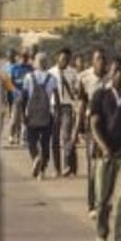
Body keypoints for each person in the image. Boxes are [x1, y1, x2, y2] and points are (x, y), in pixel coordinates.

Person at [89, 56, 121, 241]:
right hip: (105, 151)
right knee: (102, 197)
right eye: (115, 70)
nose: (118, 75)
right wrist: (103, 146)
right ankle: (101, 234)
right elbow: (94, 124)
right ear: (110, 72)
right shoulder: (100, 95)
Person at [77, 47, 108, 217]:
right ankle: (92, 205)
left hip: (109, 128)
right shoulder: (85, 78)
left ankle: (104, 201)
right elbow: (81, 104)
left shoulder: (112, 78)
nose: (101, 62)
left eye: (103, 59)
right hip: (92, 127)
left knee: (107, 166)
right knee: (93, 167)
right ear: (92, 61)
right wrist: (79, 128)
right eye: (98, 59)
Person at [23, 52, 57, 179]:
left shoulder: (28, 77)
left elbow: (23, 98)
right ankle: (42, 171)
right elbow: (56, 99)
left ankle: (35, 157)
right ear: (46, 63)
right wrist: (56, 114)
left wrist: (23, 114)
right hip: (47, 115)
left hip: (32, 114)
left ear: (36, 63)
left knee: (32, 141)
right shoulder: (52, 78)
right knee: (45, 142)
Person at [48, 47, 80, 177]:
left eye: (67, 59)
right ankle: (57, 168)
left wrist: (74, 91)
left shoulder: (73, 72)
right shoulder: (50, 72)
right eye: (62, 59)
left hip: (67, 106)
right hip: (54, 107)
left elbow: (77, 90)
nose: (64, 61)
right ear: (58, 58)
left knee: (66, 137)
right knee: (54, 139)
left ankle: (67, 165)